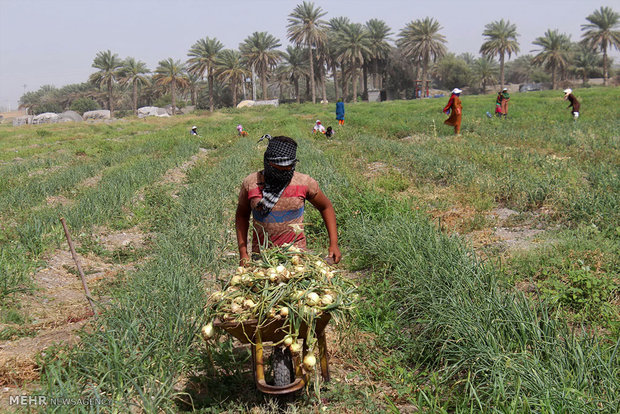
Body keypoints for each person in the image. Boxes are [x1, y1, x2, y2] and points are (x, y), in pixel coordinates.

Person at [235, 135, 341, 265]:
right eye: (276, 169)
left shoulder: (304, 183)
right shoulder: (251, 183)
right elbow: (241, 215)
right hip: (263, 258)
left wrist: (333, 243)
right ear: (267, 163)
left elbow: (326, 207)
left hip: (296, 257)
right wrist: (243, 253)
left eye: (287, 169)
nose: (281, 174)